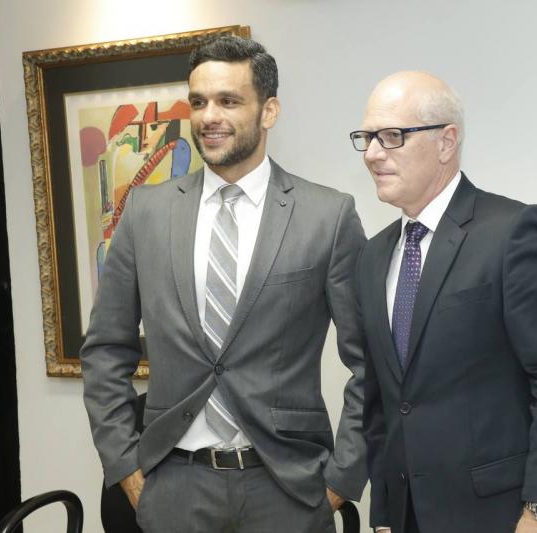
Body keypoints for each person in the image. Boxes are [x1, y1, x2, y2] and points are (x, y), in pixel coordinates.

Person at [81, 35, 367, 533]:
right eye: (198, 102)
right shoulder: (145, 212)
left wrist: (340, 482)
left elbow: (371, 363)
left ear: (269, 111)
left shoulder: (328, 216)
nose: (208, 116)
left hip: (288, 491)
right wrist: (127, 469)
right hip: (173, 489)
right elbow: (105, 349)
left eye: (228, 101)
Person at [352, 71, 537, 533]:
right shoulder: (373, 257)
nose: (372, 153)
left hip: (508, 518)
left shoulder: (514, 232)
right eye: (366, 138)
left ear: (446, 141)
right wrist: (384, 515)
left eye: (392, 136)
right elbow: (382, 404)